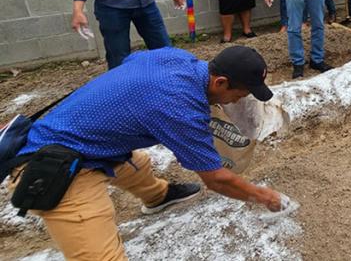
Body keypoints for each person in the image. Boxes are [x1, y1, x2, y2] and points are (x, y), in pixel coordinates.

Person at [9, 46, 285, 260]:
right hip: (56, 170)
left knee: (137, 163)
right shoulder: (181, 109)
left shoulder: (175, 57)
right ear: (221, 82)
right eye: (241, 94)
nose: (239, 100)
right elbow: (216, 179)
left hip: (86, 141)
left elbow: (131, 63)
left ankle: (158, 197)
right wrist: (264, 196)